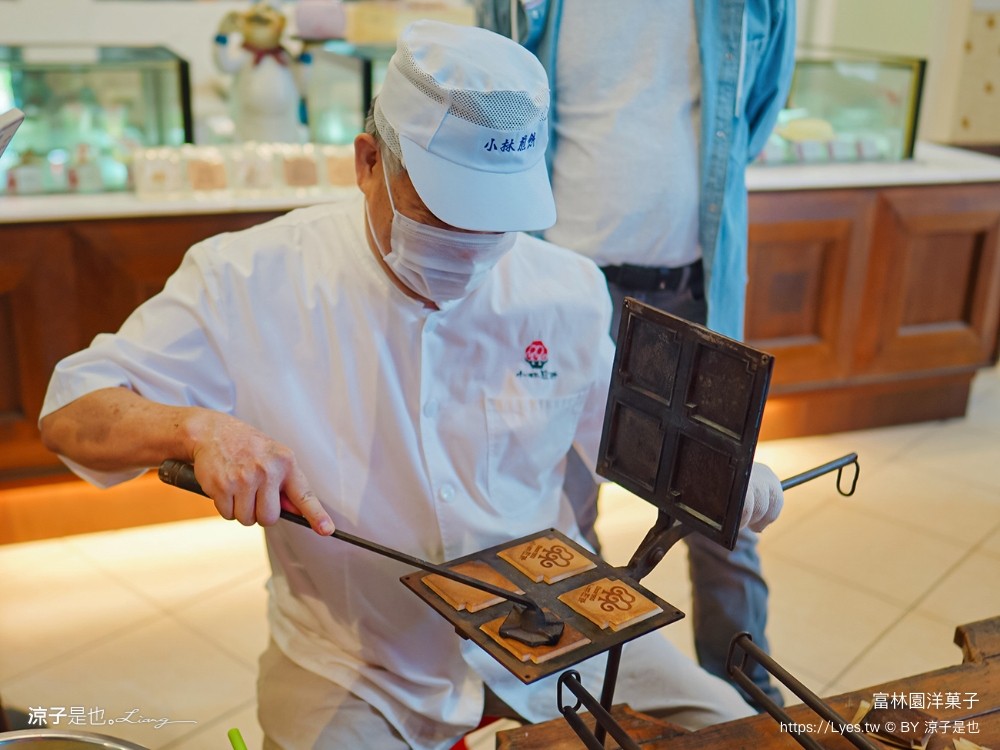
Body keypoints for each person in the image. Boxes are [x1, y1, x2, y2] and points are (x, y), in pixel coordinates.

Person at [38, 21, 784, 750]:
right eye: (440, 216)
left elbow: (621, 440)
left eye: (496, 224)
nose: (469, 250)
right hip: (360, 661)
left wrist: (722, 472)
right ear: (367, 162)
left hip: (559, 620)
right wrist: (199, 429)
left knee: (738, 734)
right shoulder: (249, 276)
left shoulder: (565, 287)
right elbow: (73, 409)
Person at [476, 0, 797, 708]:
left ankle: (747, 702)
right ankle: (576, 692)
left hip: (692, 287)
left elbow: (759, 109)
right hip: (559, 284)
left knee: (723, 508)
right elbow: (493, 105)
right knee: (560, 508)